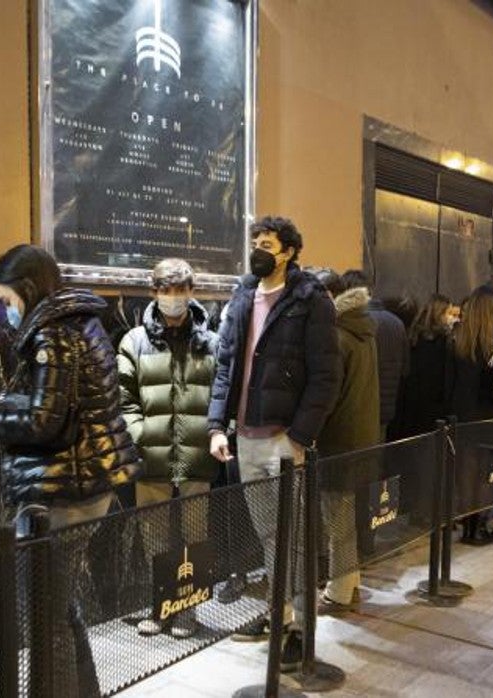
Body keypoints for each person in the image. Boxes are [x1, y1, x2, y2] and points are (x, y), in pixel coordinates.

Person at [0, 244, 139, 696]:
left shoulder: (52, 335)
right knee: (60, 604)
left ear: (28, 291)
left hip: (61, 492)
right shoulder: (81, 323)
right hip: (88, 482)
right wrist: (5, 401)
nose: (6, 311)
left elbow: (43, 423)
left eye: (8, 301)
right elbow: (62, 408)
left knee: (45, 616)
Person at [207, 216, 340, 670]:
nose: (258, 250)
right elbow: (226, 366)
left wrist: (301, 436)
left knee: (296, 539)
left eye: (266, 244)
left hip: (285, 440)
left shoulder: (310, 299)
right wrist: (216, 426)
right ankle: (278, 616)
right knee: (268, 535)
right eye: (255, 243)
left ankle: (303, 628)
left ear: (288, 252)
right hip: (244, 437)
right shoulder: (243, 295)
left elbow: (326, 376)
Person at [116, 258, 219, 639]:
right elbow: (124, 401)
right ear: (154, 291)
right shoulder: (134, 342)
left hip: (196, 455)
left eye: (180, 290)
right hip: (152, 457)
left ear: (192, 292)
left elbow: (220, 395)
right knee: (155, 538)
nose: (173, 298)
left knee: (195, 534)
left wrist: (212, 434)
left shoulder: (210, 341)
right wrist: (144, 436)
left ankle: (188, 608)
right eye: (165, 290)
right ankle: (162, 608)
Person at [307, 268, 379, 616]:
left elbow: (328, 395)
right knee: (346, 515)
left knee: (337, 518)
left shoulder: (335, 336)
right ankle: (349, 584)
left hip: (339, 439)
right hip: (362, 434)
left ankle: (338, 592)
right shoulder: (362, 329)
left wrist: (310, 429)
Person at [446, 285, 493, 545]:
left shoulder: (458, 336)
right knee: (487, 473)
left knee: (466, 470)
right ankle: (480, 525)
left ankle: (468, 527)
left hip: (464, 415)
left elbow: (449, 380)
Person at [341, 269, 407, 439]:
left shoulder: (354, 323)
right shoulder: (397, 323)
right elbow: (406, 368)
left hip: (357, 409)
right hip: (387, 408)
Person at [400, 294, 455, 436]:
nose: (452, 318)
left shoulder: (414, 335)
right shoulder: (443, 341)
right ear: (439, 313)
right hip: (434, 408)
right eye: (449, 313)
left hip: (412, 406)